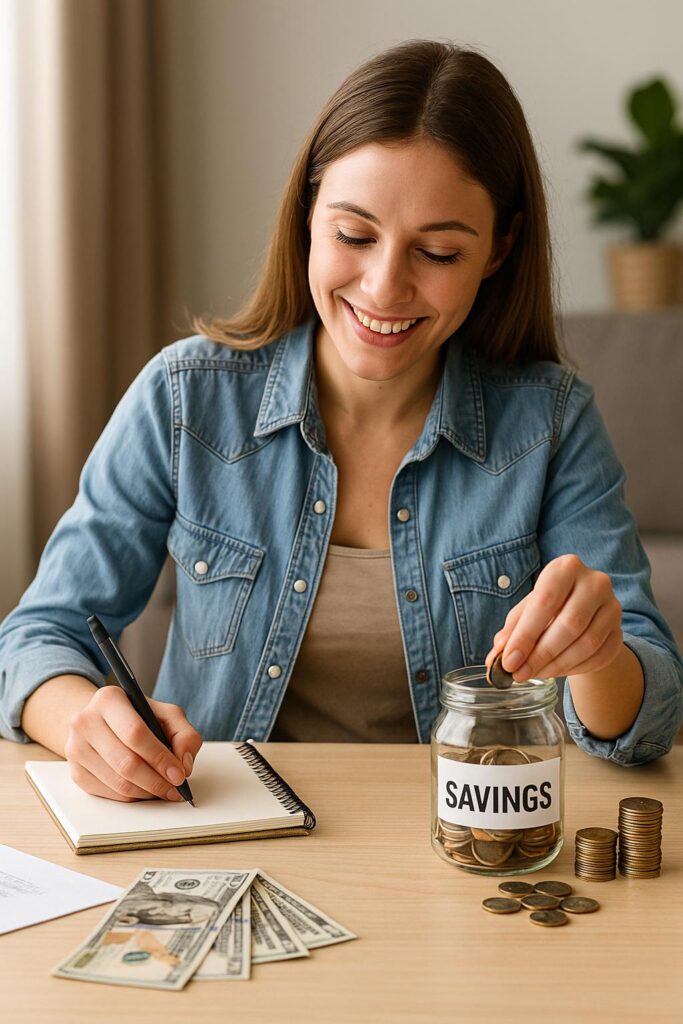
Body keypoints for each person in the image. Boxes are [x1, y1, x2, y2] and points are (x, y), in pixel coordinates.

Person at [1, 40, 681, 804]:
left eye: (438, 250)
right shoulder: (185, 398)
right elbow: (37, 636)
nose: (384, 286)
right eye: (354, 235)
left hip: (467, 856)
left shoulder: (551, 422)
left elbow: (647, 718)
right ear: (306, 218)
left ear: (498, 250)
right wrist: (80, 722)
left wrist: (599, 658)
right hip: (223, 838)